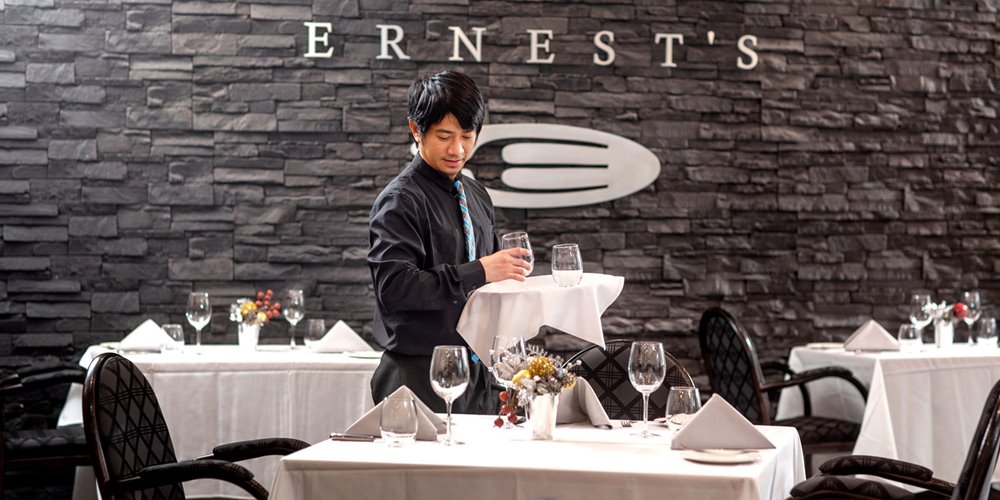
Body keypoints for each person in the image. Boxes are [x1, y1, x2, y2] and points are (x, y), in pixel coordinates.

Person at [367, 70, 531, 414]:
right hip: (416, 380)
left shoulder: (477, 195)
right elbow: (395, 289)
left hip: (479, 379)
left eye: (467, 136)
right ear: (416, 130)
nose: (457, 149)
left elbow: (488, 283)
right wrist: (480, 270)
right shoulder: (400, 200)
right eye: (444, 136)